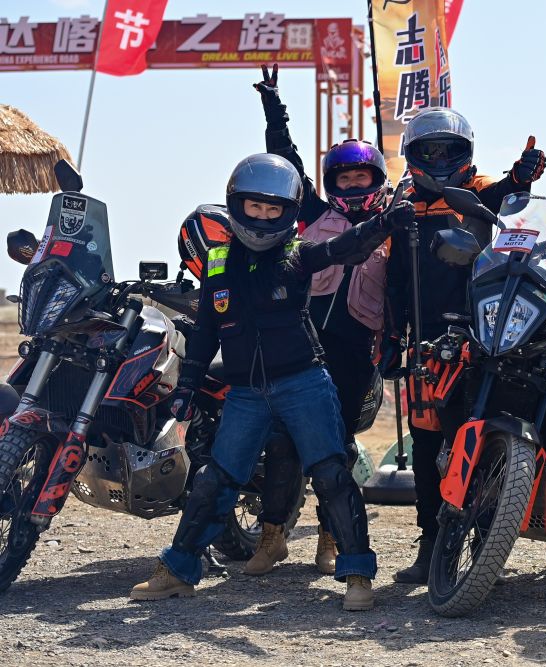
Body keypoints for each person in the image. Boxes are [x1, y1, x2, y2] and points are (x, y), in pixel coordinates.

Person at [130, 152, 411, 611]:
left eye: (273, 209)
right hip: (245, 392)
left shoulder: (298, 255)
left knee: (331, 474)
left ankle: (358, 576)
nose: (262, 217)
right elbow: (206, 332)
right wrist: (187, 387)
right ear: (236, 204)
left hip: (304, 384)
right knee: (215, 480)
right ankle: (177, 569)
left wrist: (383, 225)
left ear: (288, 212)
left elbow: (343, 248)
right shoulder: (217, 262)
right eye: (254, 206)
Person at [382, 106, 546, 584]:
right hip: (425, 341)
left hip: (481, 336)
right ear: (412, 155)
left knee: (474, 436)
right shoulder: (402, 202)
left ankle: (482, 545)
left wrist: (522, 175)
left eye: (447, 151)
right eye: (428, 151)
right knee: (426, 443)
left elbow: (508, 195)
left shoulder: (478, 189)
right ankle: (430, 545)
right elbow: (393, 280)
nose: (438, 159)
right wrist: (392, 338)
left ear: (466, 153)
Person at [245, 64, 399, 577]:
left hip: (356, 353)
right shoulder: (311, 214)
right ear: (330, 183)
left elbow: (404, 292)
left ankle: (331, 537)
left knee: (337, 446)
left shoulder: (393, 225)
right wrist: (274, 106)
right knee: (283, 440)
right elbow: (286, 160)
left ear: (376, 180)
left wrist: (396, 344)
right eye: (343, 177)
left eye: (360, 176)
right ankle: (273, 536)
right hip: (301, 345)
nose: (352, 184)